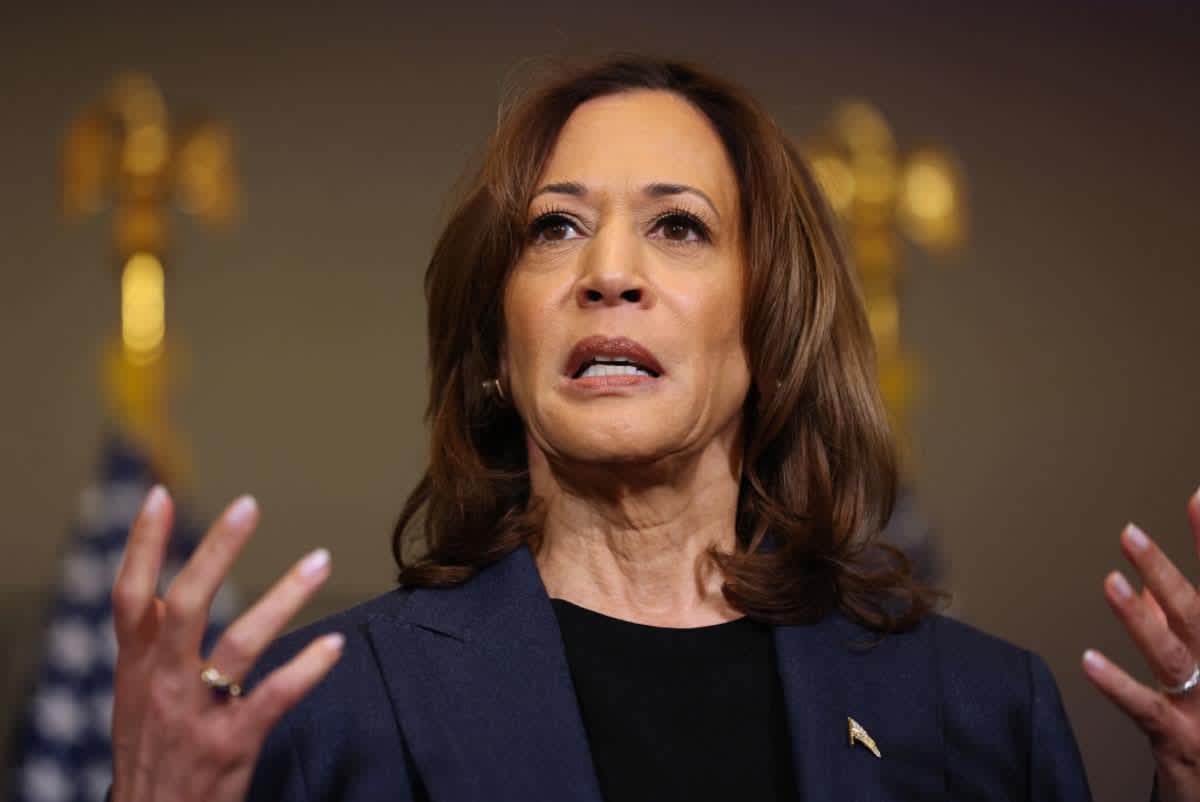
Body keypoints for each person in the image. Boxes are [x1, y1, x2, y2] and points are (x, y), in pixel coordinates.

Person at [106, 56, 1199, 802]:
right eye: (554, 228)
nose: (609, 273)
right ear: (496, 346)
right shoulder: (320, 711)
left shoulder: (978, 713)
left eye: (679, 226)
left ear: (770, 329)